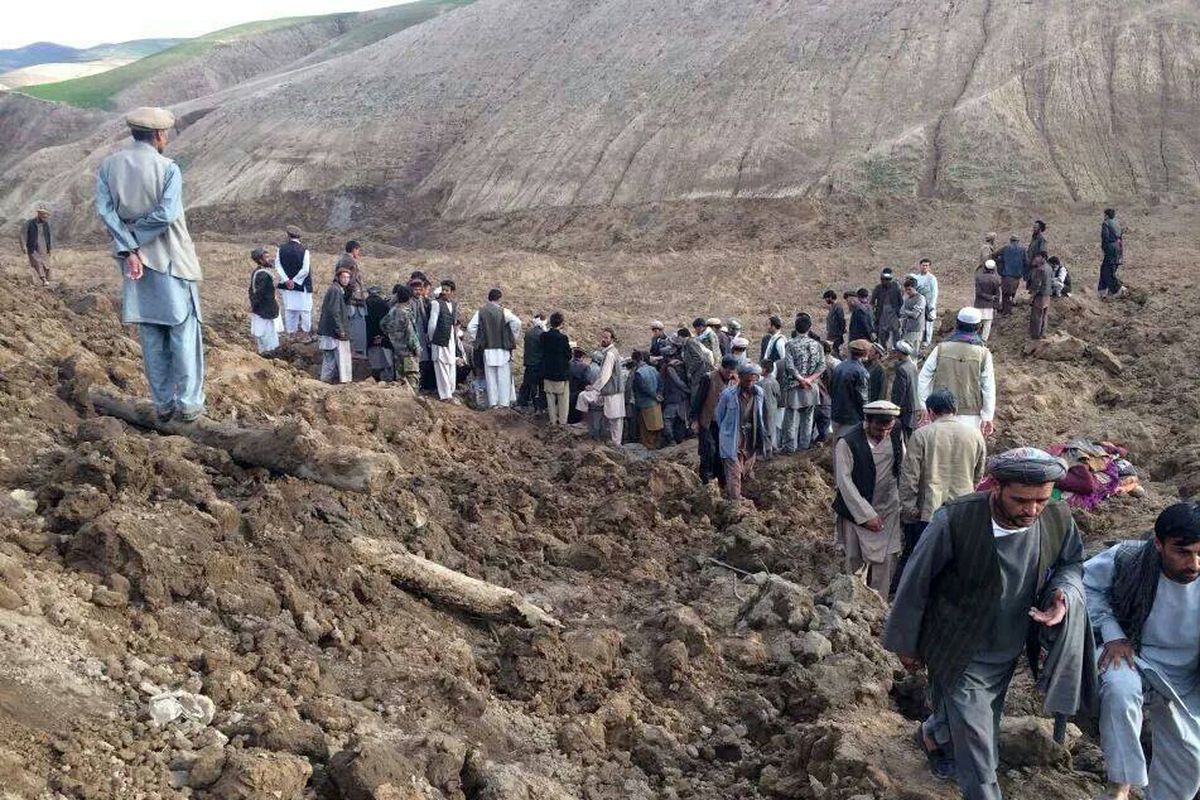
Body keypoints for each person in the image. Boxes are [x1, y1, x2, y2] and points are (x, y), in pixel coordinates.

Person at [884, 448, 1087, 799]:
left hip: (1008, 645)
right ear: (996, 487)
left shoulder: (1056, 516)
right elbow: (916, 580)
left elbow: (1071, 563)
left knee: (980, 716)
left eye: (1041, 500)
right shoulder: (955, 520)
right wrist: (906, 641)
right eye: (1021, 500)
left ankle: (935, 735)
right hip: (956, 643)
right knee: (979, 741)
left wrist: (1063, 594)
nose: (1032, 510)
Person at [95, 107, 205, 423]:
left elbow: (106, 212)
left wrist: (128, 248)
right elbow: (166, 215)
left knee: (151, 332)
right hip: (171, 260)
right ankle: (188, 404)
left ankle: (162, 404)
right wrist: (140, 241)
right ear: (158, 135)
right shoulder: (168, 168)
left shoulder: (108, 167)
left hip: (133, 266)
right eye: (165, 134)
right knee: (183, 329)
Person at [1084, 502, 1200, 800]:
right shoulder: (1130, 558)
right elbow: (1083, 586)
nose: (1194, 564)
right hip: (1132, 655)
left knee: (1190, 760)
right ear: (1159, 544)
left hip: (1186, 674)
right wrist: (1111, 632)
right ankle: (1120, 786)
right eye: (1183, 552)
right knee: (1119, 691)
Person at [896, 389, 987, 581]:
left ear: (930, 411)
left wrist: (909, 508)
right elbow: (978, 475)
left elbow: (909, 476)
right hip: (962, 510)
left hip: (928, 511)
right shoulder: (975, 435)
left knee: (920, 562)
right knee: (954, 562)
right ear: (955, 409)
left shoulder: (922, 435)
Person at [833, 400, 905, 596]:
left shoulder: (897, 431)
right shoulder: (847, 442)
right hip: (856, 510)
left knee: (887, 560)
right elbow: (844, 483)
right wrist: (866, 516)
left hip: (888, 507)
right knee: (854, 559)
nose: (883, 434)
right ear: (867, 421)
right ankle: (854, 603)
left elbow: (901, 464)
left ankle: (878, 605)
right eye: (878, 429)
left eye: (887, 429)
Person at [918, 308, 995, 437]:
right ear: (978, 327)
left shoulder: (941, 349)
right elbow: (988, 387)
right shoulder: (984, 354)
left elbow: (923, 378)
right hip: (971, 417)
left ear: (957, 325)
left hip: (940, 412)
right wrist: (987, 416)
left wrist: (924, 405)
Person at [715, 362, 767, 501]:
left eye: (753, 380)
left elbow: (760, 415)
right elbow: (719, 416)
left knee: (746, 469)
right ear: (740, 378)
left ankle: (745, 495)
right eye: (747, 380)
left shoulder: (759, 393)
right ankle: (735, 501)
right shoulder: (728, 394)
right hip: (732, 437)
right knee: (734, 471)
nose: (749, 383)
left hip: (751, 436)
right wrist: (727, 431)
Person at [467, 288, 522, 408]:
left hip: (487, 349)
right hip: (502, 349)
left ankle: (493, 403)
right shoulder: (504, 312)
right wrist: (511, 336)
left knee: (490, 377)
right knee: (503, 377)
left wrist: (478, 339)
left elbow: (471, 328)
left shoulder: (480, 312)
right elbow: (517, 323)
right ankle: (504, 403)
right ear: (499, 298)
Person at [779, 313, 825, 452]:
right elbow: (822, 365)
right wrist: (809, 379)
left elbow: (789, 366)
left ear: (796, 328)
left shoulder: (790, 344)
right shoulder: (817, 345)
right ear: (809, 328)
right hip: (812, 386)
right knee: (808, 417)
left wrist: (800, 379)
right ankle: (804, 446)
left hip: (794, 385)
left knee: (790, 418)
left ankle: (789, 447)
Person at [692, 356, 738, 489]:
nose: (729, 374)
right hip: (707, 420)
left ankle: (721, 478)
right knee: (707, 450)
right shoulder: (708, 378)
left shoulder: (734, 381)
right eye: (727, 371)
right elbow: (698, 400)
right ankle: (704, 478)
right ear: (721, 368)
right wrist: (695, 420)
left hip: (724, 422)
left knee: (720, 451)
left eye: (732, 372)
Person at [275, 225, 313, 339]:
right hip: (302, 285)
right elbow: (305, 270)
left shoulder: (280, 249)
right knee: (305, 310)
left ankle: (291, 334)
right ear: (299, 237)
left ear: (288, 235)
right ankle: (306, 334)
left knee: (290, 310)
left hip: (287, 286)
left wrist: (287, 280)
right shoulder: (304, 250)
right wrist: (295, 281)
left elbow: (278, 265)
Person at [588, 328, 625, 446]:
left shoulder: (609, 354)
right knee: (614, 418)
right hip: (613, 390)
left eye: (606, 338)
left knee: (614, 418)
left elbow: (605, 376)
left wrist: (594, 388)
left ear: (612, 339)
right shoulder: (611, 352)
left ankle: (615, 444)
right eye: (602, 337)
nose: (603, 340)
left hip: (612, 391)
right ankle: (615, 443)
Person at [829, 339, 872, 440]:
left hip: (836, 413)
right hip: (852, 417)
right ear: (865, 353)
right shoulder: (861, 372)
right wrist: (867, 415)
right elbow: (862, 397)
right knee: (848, 447)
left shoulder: (839, 367)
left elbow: (831, 388)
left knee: (836, 444)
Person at [317, 266, 353, 383]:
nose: (346, 280)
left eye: (348, 277)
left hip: (329, 331)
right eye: (343, 277)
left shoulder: (336, 289)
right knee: (341, 358)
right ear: (338, 278)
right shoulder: (335, 290)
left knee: (329, 358)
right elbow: (334, 311)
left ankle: (325, 380)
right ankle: (344, 382)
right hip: (334, 332)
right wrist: (340, 329)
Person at [381, 285, 420, 389]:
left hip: (397, 350)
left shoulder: (393, 310)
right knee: (412, 376)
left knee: (401, 378)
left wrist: (392, 335)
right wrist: (416, 348)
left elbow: (383, 324)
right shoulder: (405, 313)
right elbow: (411, 334)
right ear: (409, 297)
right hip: (408, 352)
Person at [427, 280, 460, 401]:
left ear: (452, 292)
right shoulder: (436, 303)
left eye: (447, 290)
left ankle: (451, 391)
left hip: (450, 338)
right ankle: (445, 395)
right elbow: (432, 323)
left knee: (451, 363)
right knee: (441, 364)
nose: (445, 292)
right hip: (439, 338)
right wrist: (431, 339)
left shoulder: (454, 305)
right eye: (443, 290)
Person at [335, 242, 367, 357]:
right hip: (352, 299)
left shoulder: (343, 260)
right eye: (358, 250)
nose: (359, 253)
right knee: (353, 325)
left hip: (349, 297)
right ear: (354, 250)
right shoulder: (349, 261)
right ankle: (352, 350)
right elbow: (350, 282)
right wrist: (347, 296)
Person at [540, 312, 571, 425]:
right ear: (561, 323)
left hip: (547, 372)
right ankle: (562, 422)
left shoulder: (543, 336)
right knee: (563, 400)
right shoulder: (563, 338)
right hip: (561, 373)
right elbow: (568, 355)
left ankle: (553, 421)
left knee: (550, 398)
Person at [248, 247, 280, 354]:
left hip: (262, 311)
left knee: (264, 336)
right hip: (264, 311)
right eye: (266, 257)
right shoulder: (263, 275)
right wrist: (257, 308)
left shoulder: (258, 272)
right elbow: (259, 294)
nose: (269, 259)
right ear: (260, 260)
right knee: (268, 337)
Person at [659, 341, 690, 445]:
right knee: (680, 419)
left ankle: (672, 441)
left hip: (673, 398)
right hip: (682, 398)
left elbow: (678, 382)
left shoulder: (670, 368)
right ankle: (679, 440)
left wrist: (686, 390)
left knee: (667, 419)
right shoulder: (682, 364)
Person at [630, 351, 663, 449]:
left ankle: (649, 447)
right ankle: (657, 445)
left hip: (644, 403)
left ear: (635, 360)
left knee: (646, 427)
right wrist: (659, 394)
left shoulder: (638, 373)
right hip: (656, 402)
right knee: (657, 426)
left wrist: (653, 395)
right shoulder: (653, 369)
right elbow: (661, 383)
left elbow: (642, 388)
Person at [408, 274, 435, 394]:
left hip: (420, 337)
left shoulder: (421, 301)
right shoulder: (408, 302)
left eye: (420, 289)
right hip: (409, 339)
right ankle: (409, 390)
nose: (418, 292)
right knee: (409, 364)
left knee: (422, 363)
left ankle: (419, 388)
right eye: (416, 289)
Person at [890, 341, 919, 440]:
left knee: (903, 438)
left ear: (900, 353)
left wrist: (895, 408)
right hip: (914, 407)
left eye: (897, 351)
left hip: (905, 410)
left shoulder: (902, 369)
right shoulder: (912, 366)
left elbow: (900, 392)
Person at [364, 286, 393, 381]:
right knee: (387, 362)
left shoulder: (365, 303)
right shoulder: (383, 304)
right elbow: (386, 322)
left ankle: (377, 380)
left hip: (369, 337)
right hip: (383, 338)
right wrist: (383, 336)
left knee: (375, 363)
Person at [519, 315, 547, 412]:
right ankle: (538, 406)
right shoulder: (542, 334)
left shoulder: (528, 333)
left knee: (527, 383)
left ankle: (522, 402)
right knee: (539, 386)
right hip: (538, 363)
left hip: (529, 362)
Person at [21, 204, 52, 287]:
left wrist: (49, 248)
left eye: (45, 215)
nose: (44, 217)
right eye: (43, 215)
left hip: (43, 246)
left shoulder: (46, 224)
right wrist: (23, 246)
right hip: (32, 246)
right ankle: (43, 279)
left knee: (46, 264)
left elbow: (48, 236)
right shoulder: (29, 223)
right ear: (38, 214)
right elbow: (23, 235)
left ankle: (46, 280)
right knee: (37, 262)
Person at [870, 268, 902, 349]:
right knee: (882, 334)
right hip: (881, 314)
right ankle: (883, 350)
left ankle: (897, 350)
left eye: (888, 279)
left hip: (894, 313)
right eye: (884, 279)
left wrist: (899, 313)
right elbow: (872, 302)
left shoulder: (896, 287)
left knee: (896, 333)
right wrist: (873, 314)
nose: (886, 281)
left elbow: (900, 301)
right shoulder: (878, 288)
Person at [757, 359, 781, 458]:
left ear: (765, 369)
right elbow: (778, 395)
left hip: (765, 409)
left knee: (766, 429)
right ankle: (773, 447)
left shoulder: (762, 384)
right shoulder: (774, 381)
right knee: (772, 428)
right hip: (773, 407)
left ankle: (768, 451)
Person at [997, 235, 1026, 315]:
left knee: (1005, 293)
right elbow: (1026, 261)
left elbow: (995, 255)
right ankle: (1009, 309)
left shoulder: (1005, 248)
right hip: (1017, 276)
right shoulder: (1023, 249)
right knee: (1013, 292)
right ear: (1018, 241)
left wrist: (1000, 262)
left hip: (1007, 275)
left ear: (1010, 240)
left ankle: (1005, 311)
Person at [1027, 252, 1053, 340]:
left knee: (1037, 315)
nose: (1036, 259)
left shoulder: (1040, 269)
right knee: (1044, 315)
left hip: (1040, 296)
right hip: (1048, 295)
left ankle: (1036, 335)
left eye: (1038, 257)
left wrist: (1032, 296)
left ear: (1043, 258)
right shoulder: (1049, 268)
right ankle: (1043, 333)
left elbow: (1037, 285)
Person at [914, 258, 939, 350]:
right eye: (923, 265)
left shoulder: (932, 278)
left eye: (927, 265)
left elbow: (934, 293)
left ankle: (927, 342)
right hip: (918, 304)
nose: (925, 267)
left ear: (929, 267)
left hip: (928, 304)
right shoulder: (916, 278)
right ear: (920, 266)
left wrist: (932, 305)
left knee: (928, 324)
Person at [1099, 208, 1125, 297]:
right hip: (1118, 248)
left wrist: (1104, 248)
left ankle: (1117, 289)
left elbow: (1105, 237)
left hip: (1110, 249)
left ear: (1106, 215)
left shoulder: (1105, 224)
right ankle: (1105, 291)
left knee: (1107, 270)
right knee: (1109, 269)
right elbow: (1120, 238)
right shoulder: (1117, 224)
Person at [974, 260, 1001, 341]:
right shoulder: (996, 280)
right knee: (987, 325)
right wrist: (996, 306)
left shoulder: (979, 278)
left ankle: (973, 339)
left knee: (976, 324)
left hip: (978, 305)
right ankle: (983, 341)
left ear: (984, 268)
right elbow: (997, 295)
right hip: (989, 306)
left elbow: (978, 293)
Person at [898, 276, 926, 352]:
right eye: (906, 290)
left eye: (909, 289)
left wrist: (906, 312)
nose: (907, 292)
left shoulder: (920, 298)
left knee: (913, 353)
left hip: (916, 329)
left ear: (915, 288)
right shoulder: (907, 299)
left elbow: (915, 314)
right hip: (907, 329)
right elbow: (901, 312)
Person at [567, 344, 590, 424]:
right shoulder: (585, 367)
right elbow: (586, 380)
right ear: (582, 356)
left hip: (567, 390)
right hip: (578, 392)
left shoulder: (567, 364)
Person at [824, 290, 846, 358]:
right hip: (832, 333)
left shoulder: (838, 307)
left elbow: (841, 320)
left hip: (835, 334)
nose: (825, 300)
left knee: (833, 351)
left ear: (830, 297)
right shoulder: (833, 306)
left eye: (826, 298)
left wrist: (841, 331)